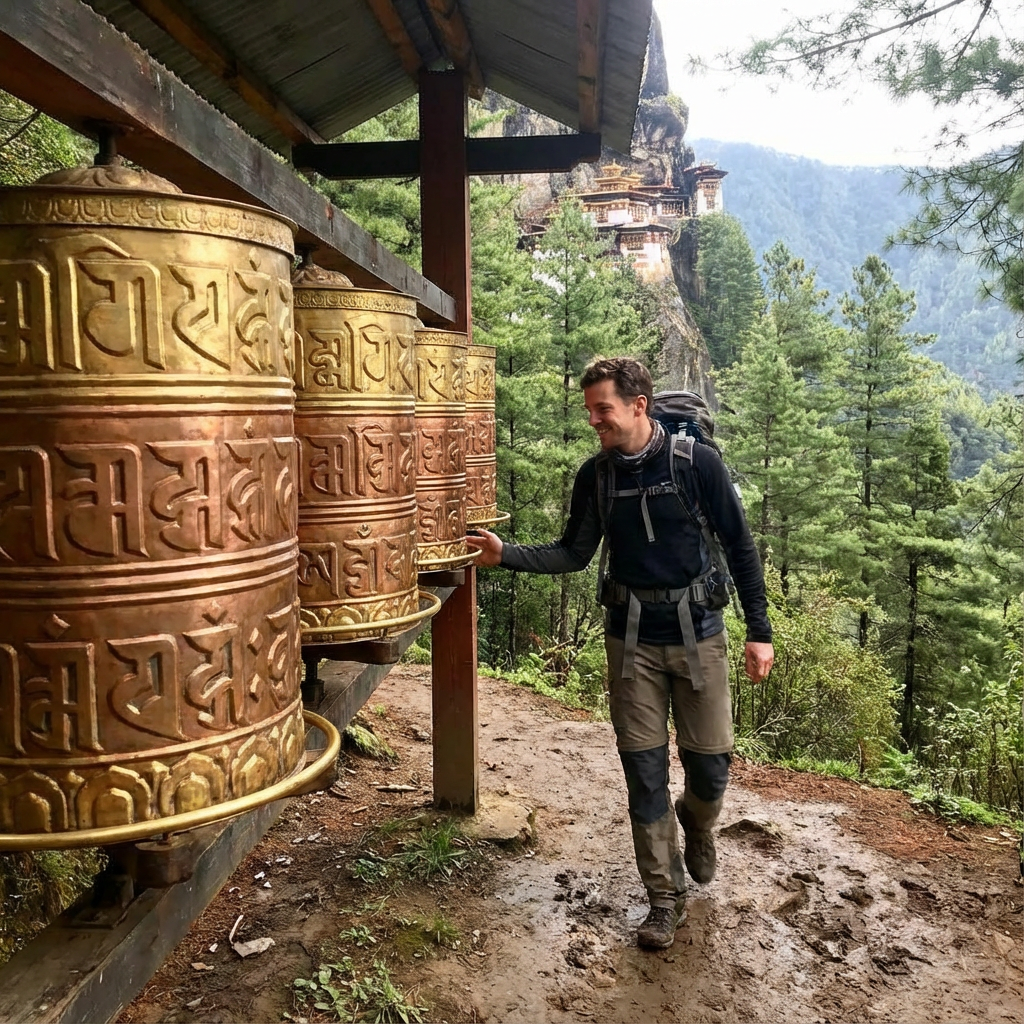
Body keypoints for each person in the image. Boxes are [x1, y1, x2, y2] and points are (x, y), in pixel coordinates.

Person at [466, 357, 774, 950]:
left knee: (710, 767)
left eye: (602, 409)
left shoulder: (695, 463)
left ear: (639, 404)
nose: (593, 421)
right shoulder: (597, 476)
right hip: (630, 643)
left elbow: (739, 545)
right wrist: (506, 554)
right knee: (644, 771)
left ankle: (699, 823)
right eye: (589, 412)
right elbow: (572, 553)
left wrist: (759, 630)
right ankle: (664, 898)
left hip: (699, 634)